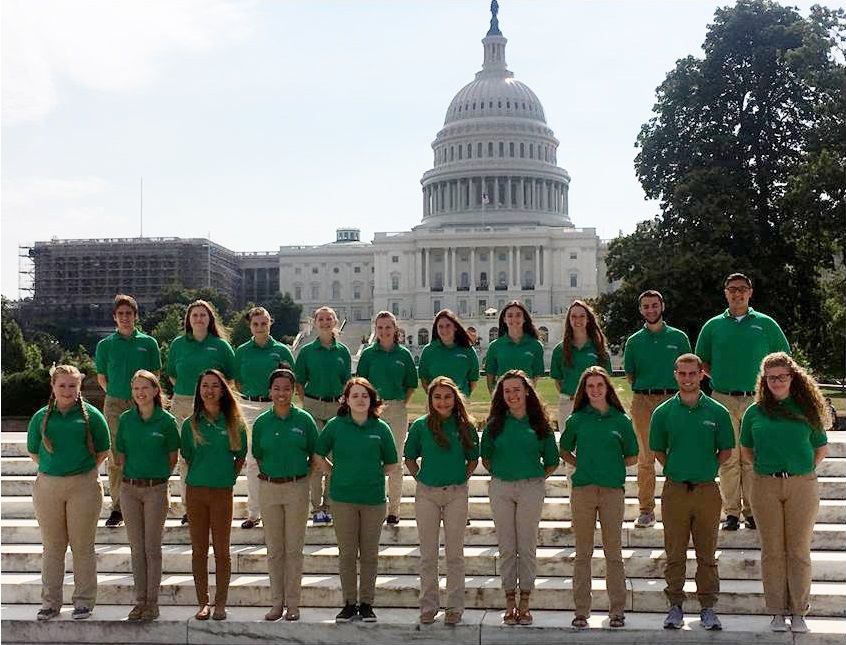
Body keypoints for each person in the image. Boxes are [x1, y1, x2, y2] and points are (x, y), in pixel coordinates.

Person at [740, 352, 829, 633]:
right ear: (764, 381)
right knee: (772, 551)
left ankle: (799, 610)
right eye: (771, 378)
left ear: (793, 378)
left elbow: (820, 448)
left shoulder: (807, 409)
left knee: (798, 550)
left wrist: (797, 470)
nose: (777, 382)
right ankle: (777, 611)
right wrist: (771, 469)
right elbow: (747, 449)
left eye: (782, 377)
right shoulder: (754, 412)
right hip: (765, 484)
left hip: (801, 484)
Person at [695, 273, 790, 531]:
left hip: (757, 401)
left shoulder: (766, 324)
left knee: (751, 458)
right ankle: (732, 513)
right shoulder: (713, 326)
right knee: (728, 458)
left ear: (750, 292)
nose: (737, 294)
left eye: (742, 289)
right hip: (723, 399)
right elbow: (701, 361)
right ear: (725, 293)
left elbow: (784, 360)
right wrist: (724, 378)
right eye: (732, 289)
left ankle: (751, 511)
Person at [649, 354, 734, 631]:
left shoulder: (717, 412)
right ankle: (675, 605)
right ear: (675, 375)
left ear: (701, 375)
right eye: (682, 374)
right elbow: (659, 450)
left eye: (692, 374)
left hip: (707, 490)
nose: (687, 379)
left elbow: (725, 451)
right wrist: (678, 468)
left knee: (707, 553)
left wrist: (704, 468)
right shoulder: (662, 413)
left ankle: (708, 607)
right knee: (674, 552)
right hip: (675, 489)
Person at [27, 364, 110, 621]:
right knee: (52, 547)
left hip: (83, 485)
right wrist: (56, 469)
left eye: (72, 385)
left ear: (79, 387)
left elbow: (103, 450)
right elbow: (34, 451)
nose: (67, 390)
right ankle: (50, 603)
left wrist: (80, 471)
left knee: (83, 546)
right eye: (62, 385)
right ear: (53, 386)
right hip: (49, 485)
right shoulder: (41, 417)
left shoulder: (92, 416)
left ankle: (83, 601)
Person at [315, 377, 398, 623]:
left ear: (372, 399)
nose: (360, 400)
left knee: (370, 554)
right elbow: (319, 455)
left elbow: (392, 463)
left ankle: (367, 604)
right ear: (346, 400)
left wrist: (370, 475)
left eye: (365, 395)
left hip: (373, 500)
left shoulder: (381, 428)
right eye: (355, 395)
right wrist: (334, 472)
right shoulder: (335, 425)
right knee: (347, 553)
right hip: (342, 499)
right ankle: (349, 603)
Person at [560, 366, 638, 629]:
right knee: (583, 553)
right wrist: (582, 465)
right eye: (590, 386)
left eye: (599, 385)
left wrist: (609, 466)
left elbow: (632, 456)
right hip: (583, 490)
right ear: (585, 390)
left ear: (607, 388)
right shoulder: (577, 419)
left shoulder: (621, 420)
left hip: (611, 491)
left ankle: (617, 611)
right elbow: (565, 449)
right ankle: (581, 611)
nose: (595, 390)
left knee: (613, 553)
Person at [481, 369, 559, 625]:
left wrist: (532, 478)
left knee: (526, 547)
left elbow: (552, 461)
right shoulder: (495, 424)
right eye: (507, 391)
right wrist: (507, 474)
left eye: (517, 389)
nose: (512, 395)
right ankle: (509, 601)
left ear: (527, 391)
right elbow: (487, 458)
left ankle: (525, 600)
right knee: (506, 547)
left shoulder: (539, 423)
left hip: (530, 487)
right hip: (502, 487)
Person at [404, 376, 479, 625]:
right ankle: (428, 605)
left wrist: (459, 479)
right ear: (430, 399)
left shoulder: (465, 426)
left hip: (456, 493)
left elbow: (472, 459)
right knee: (428, 553)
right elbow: (410, 457)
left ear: (455, 398)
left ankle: (455, 607)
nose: (443, 402)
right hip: (427, 493)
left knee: (455, 553)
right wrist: (422, 479)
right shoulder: (420, 426)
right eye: (437, 397)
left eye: (447, 397)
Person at [180, 369, 247, 621]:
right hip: (196, 491)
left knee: (222, 550)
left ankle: (221, 603)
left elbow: (240, 456)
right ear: (199, 390)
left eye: (215, 386)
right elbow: (187, 455)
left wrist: (228, 478)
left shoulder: (233, 423)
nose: (209, 390)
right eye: (205, 386)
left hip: (221, 492)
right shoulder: (190, 424)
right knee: (199, 550)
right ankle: (202, 602)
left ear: (223, 390)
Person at [252, 368, 318, 622]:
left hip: (297, 487)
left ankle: (293, 604)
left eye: (286, 388)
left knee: (294, 549)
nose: (281, 393)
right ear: (270, 391)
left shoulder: (304, 420)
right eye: (277, 388)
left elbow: (314, 454)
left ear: (293, 391)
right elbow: (258, 453)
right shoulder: (261, 423)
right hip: (269, 487)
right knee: (274, 549)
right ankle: (276, 604)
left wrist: (300, 478)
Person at [114, 370, 179, 621]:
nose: (140, 393)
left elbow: (172, 457)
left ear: (155, 391)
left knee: (152, 548)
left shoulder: (166, 422)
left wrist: (156, 476)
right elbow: (120, 456)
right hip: (129, 489)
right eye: (136, 389)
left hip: (156, 490)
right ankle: (139, 601)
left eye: (145, 388)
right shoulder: (126, 419)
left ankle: (152, 603)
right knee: (136, 548)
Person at [623, 290, 691, 528]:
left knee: (678, 454)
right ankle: (646, 510)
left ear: (662, 306)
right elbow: (630, 375)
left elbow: (688, 369)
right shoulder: (633, 341)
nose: (650, 310)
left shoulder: (679, 337)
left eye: (654, 305)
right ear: (641, 310)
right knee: (645, 458)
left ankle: (680, 508)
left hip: (673, 400)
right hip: (644, 400)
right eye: (645, 306)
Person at [95, 294, 162, 528]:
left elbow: (156, 376)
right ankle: (117, 507)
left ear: (136, 316)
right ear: (114, 317)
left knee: (143, 450)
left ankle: (145, 499)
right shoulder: (105, 345)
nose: (125, 317)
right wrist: (119, 393)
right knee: (115, 455)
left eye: (129, 313)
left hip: (142, 403)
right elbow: (102, 377)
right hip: (114, 403)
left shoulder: (149, 343)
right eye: (120, 314)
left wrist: (142, 398)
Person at [167, 299, 236, 525]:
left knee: (213, 452)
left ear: (210, 319)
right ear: (188, 319)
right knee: (187, 457)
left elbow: (231, 379)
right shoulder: (178, 344)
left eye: (203, 315)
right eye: (194, 315)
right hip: (185, 403)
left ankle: (216, 501)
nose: (198, 319)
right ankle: (190, 506)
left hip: (214, 406)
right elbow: (172, 375)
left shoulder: (221, 346)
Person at [234, 306, 295, 530]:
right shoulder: (241, 351)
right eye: (255, 323)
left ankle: (281, 508)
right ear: (250, 326)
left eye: (264, 323)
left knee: (278, 456)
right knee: (252, 461)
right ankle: (254, 512)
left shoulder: (281, 351)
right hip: (249, 406)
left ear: (271, 323)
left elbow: (289, 381)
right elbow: (237, 381)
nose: (260, 327)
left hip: (275, 406)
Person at [356, 311, 418, 524]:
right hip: (373, 411)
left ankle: (394, 509)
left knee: (396, 460)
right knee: (373, 459)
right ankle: (375, 504)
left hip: (397, 408)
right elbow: (361, 384)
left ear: (395, 329)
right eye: (380, 327)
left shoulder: (404, 355)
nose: (384, 331)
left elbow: (411, 384)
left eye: (388, 327)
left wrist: (398, 403)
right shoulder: (368, 354)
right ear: (376, 329)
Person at [295, 306, 352, 526]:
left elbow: (347, 382)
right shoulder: (308, 351)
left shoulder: (343, 351)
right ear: (315, 322)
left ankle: (329, 504)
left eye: (329, 319)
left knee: (333, 458)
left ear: (335, 322)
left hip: (336, 408)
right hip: (313, 405)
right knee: (317, 457)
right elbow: (299, 381)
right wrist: (306, 402)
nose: (325, 322)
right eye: (321, 319)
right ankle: (316, 506)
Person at [550, 299, 612, 432]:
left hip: (595, 404)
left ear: (588, 319)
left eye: (582, 316)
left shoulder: (599, 348)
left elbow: (607, 379)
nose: (577, 320)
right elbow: (558, 380)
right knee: (568, 448)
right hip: (568, 404)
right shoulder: (559, 350)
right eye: (573, 316)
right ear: (568, 320)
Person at [484, 301, 545, 393]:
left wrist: (528, 393)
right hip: (502, 397)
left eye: (518, 315)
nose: (514, 319)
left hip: (526, 397)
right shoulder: (495, 346)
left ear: (524, 318)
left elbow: (536, 375)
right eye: (510, 315)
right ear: (504, 319)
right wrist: (495, 397)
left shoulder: (536, 345)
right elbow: (490, 375)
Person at [418, 309, 480, 397]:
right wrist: (435, 398)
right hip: (436, 405)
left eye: (448, 325)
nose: (444, 330)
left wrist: (462, 397)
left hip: (460, 403)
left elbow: (473, 379)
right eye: (440, 326)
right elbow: (424, 379)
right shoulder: (428, 350)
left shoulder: (468, 350)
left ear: (455, 327)